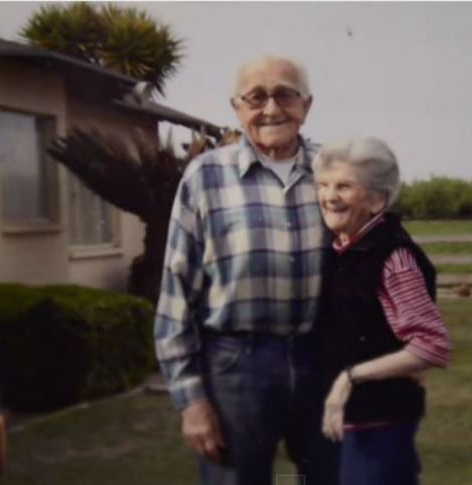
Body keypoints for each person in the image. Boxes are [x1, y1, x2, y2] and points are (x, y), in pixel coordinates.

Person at [154, 55, 338, 485]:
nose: (271, 109)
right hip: (236, 368)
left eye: (285, 95)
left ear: (306, 104)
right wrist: (191, 401)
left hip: (324, 360)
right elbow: (176, 297)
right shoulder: (204, 177)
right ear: (236, 108)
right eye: (256, 97)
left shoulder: (335, 172)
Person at [313, 136, 452, 485]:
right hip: (347, 426)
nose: (329, 196)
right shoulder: (342, 248)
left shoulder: (393, 257)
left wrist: (349, 378)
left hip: (378, 429)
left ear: (377, 200)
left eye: (344, 186)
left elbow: (431, 345)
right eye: (324, 185)